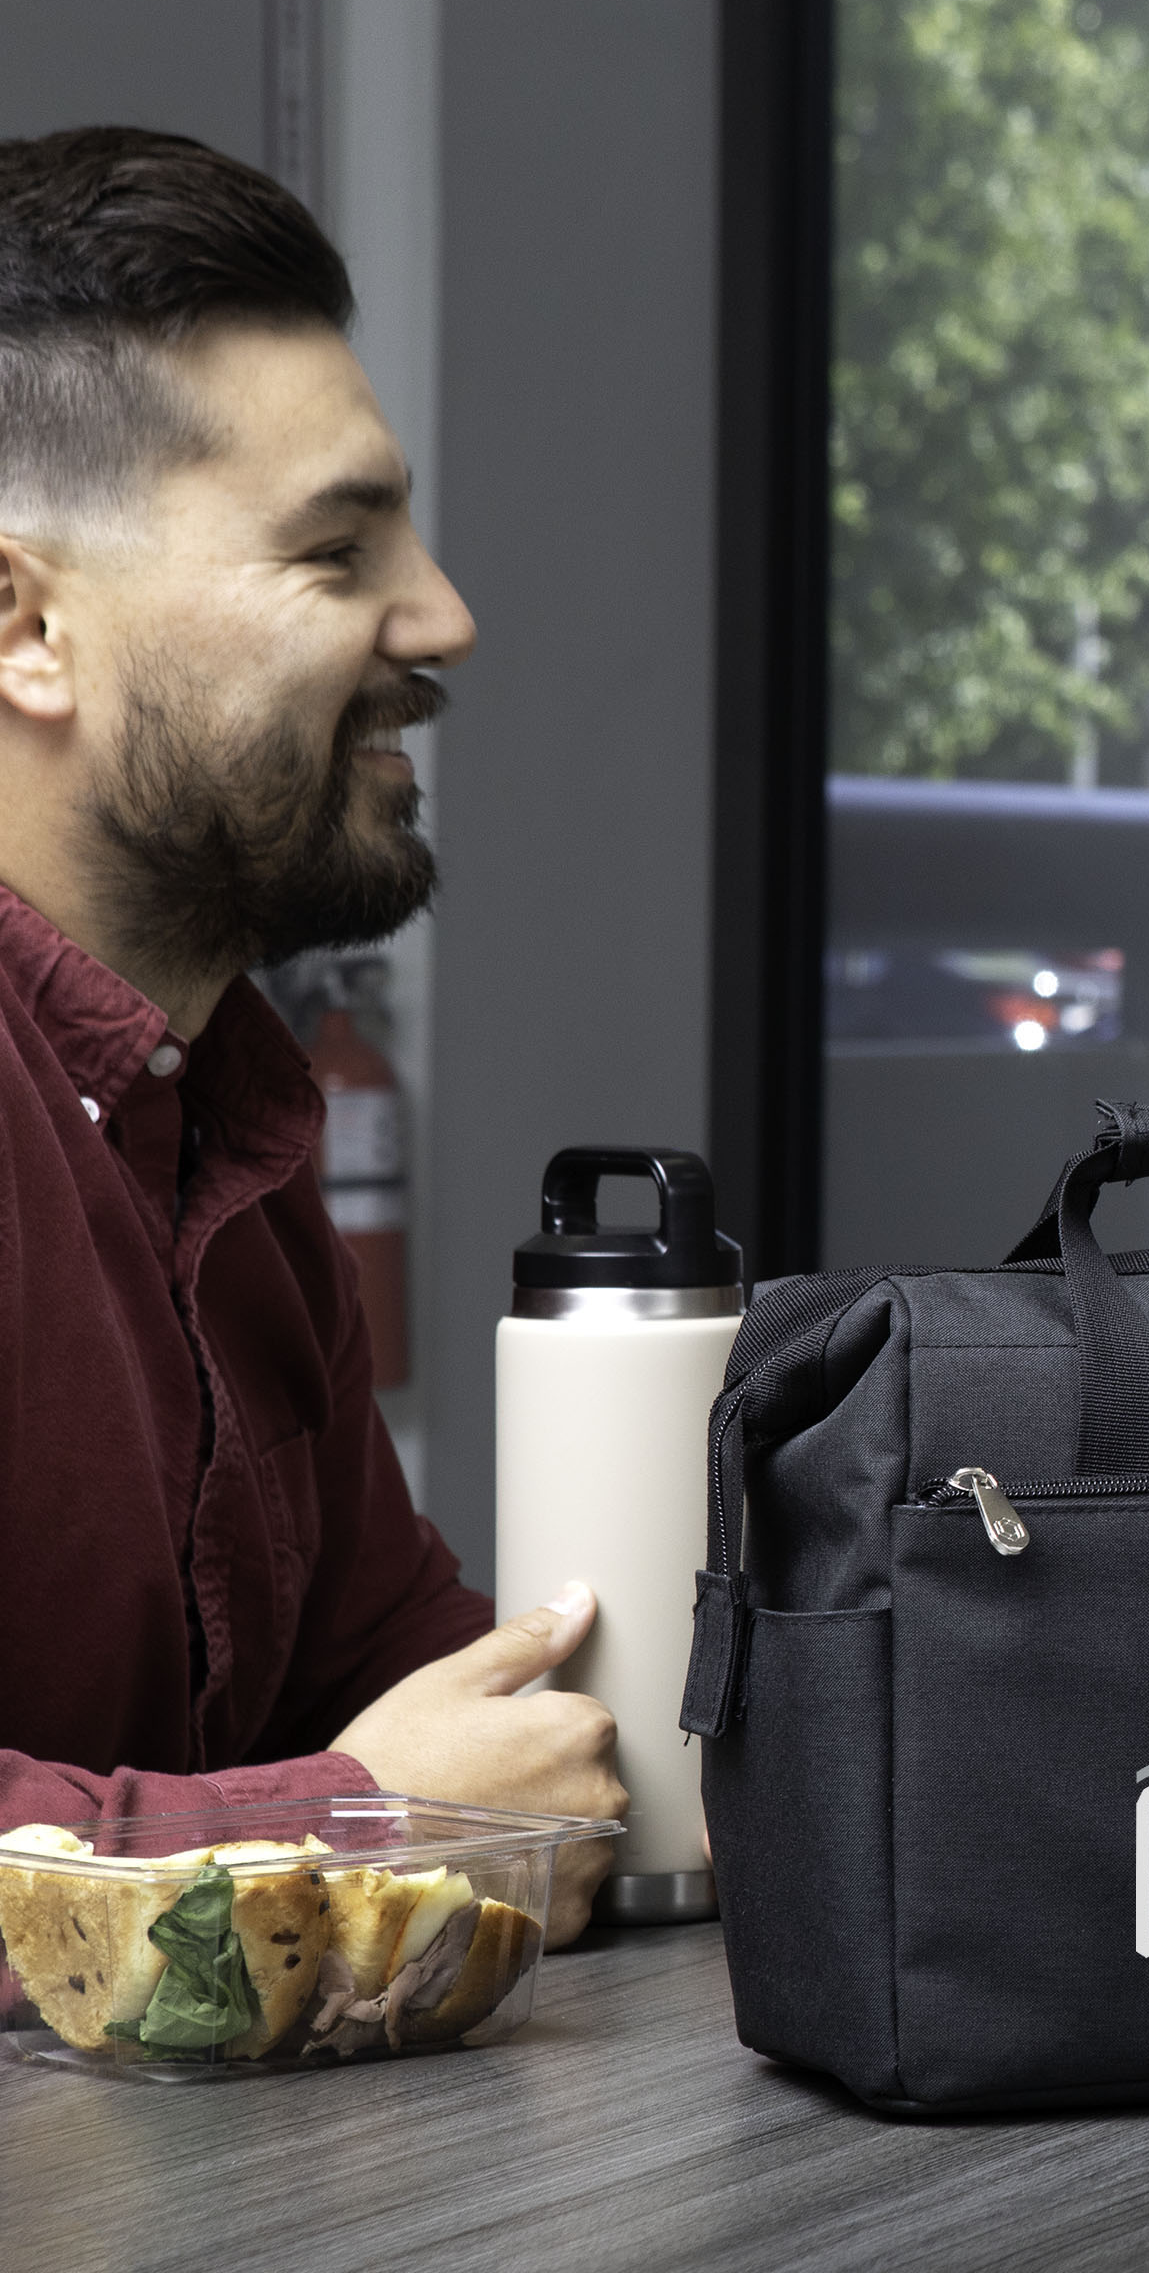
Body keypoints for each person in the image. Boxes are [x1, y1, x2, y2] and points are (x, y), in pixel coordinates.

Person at [0, 129, 622, 1939]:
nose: (444, 619)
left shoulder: (226, 1111)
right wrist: (361, 1825)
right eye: (338, 550)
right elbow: (405, 1784)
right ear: (26, 625)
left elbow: (422, 1687)